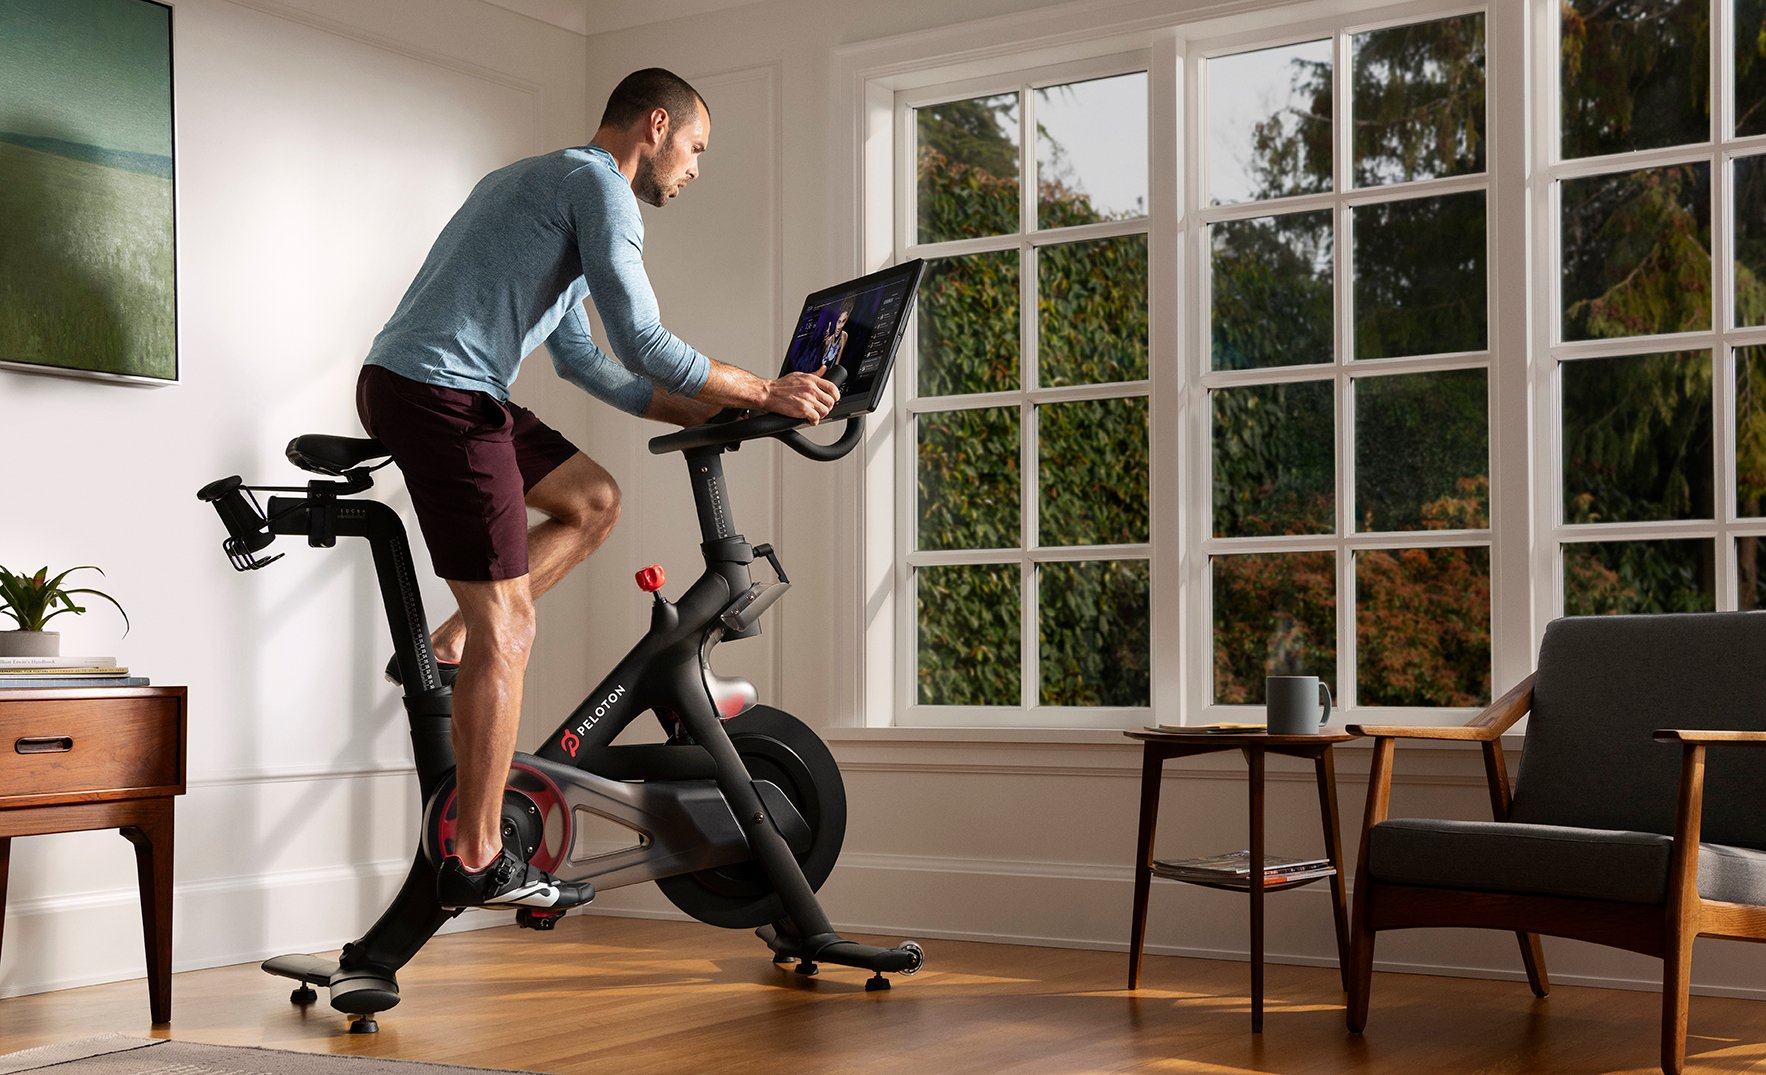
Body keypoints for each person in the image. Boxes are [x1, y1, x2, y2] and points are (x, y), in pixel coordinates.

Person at [355, 68, 838, 912]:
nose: (694, 168)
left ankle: (446, 648)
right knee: (511, 627)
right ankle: (477, 857)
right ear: (656, 125)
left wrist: (714, 409)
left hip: (443, 387)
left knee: (594, 501)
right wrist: (764, 390)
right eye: (695, 147)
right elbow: (644, 338)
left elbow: (587, 361)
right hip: (441, 393)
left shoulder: (540, 182)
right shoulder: (599, 188)